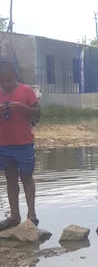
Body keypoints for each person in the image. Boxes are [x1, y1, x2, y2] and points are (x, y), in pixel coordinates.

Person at [0, 58, 40, 230]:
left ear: (16, 76)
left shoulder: (26, 91)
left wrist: (21, 107)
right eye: (2, 81)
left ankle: (32, 215)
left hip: (24, 143)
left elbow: (38, 113)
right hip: (4, 144)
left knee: (26, 177)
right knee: (10, 177)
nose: (6, 84)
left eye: (9, 79)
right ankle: (14, 216)